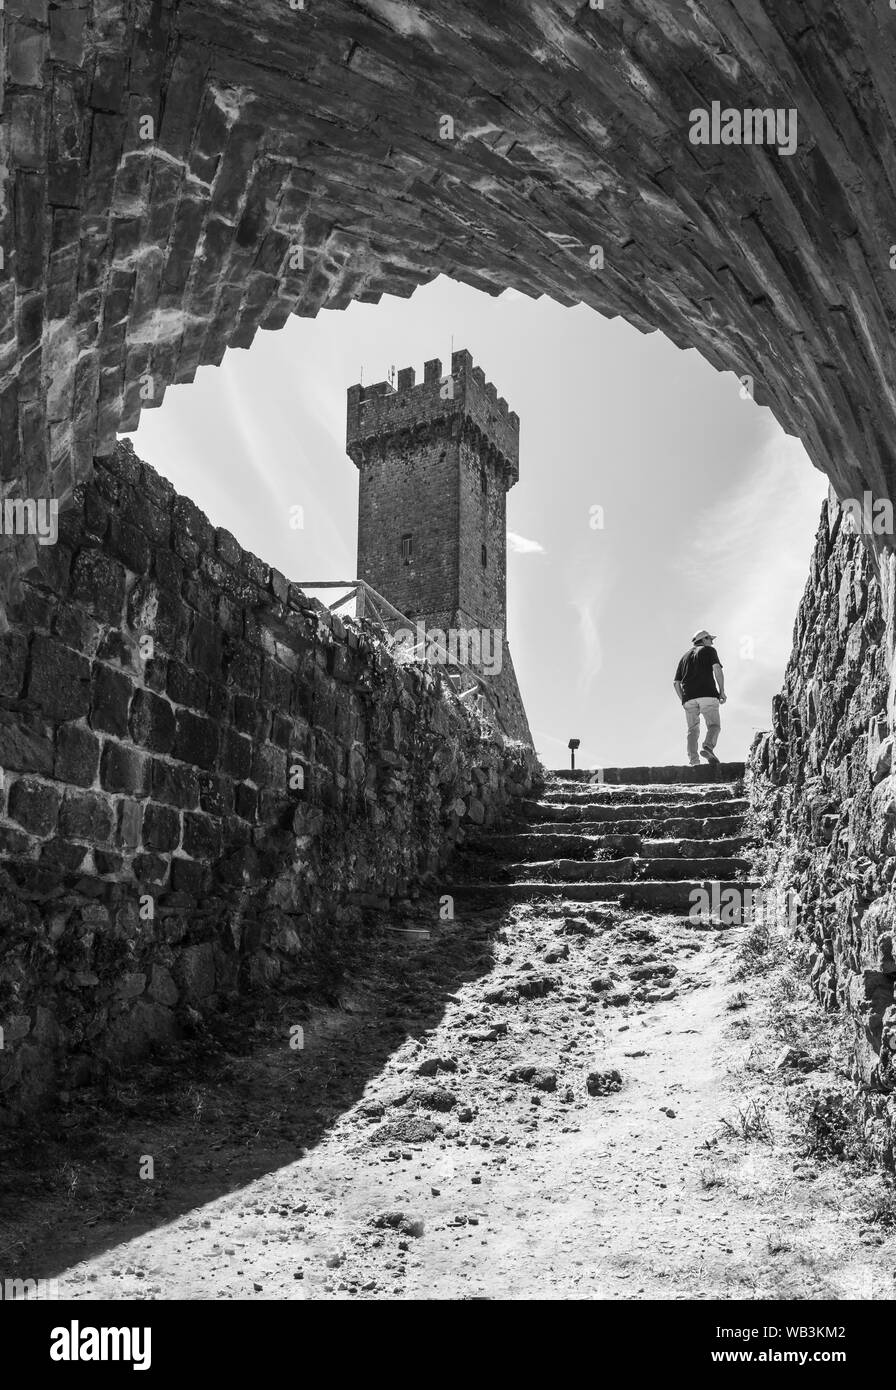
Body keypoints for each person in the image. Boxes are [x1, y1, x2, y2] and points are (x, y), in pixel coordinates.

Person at [673, 629, 726, 766]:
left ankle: (694, 762)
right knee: (714, 725)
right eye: (710, 639)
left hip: (688, 698)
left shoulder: (684, 657)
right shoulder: (709, 651)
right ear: (704, 639)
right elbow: (717, 669)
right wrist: (722, 691)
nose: (712, 642)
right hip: (707, 693)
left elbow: (676, 683)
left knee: (692, 730)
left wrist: (683, 700)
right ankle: (708, 746)